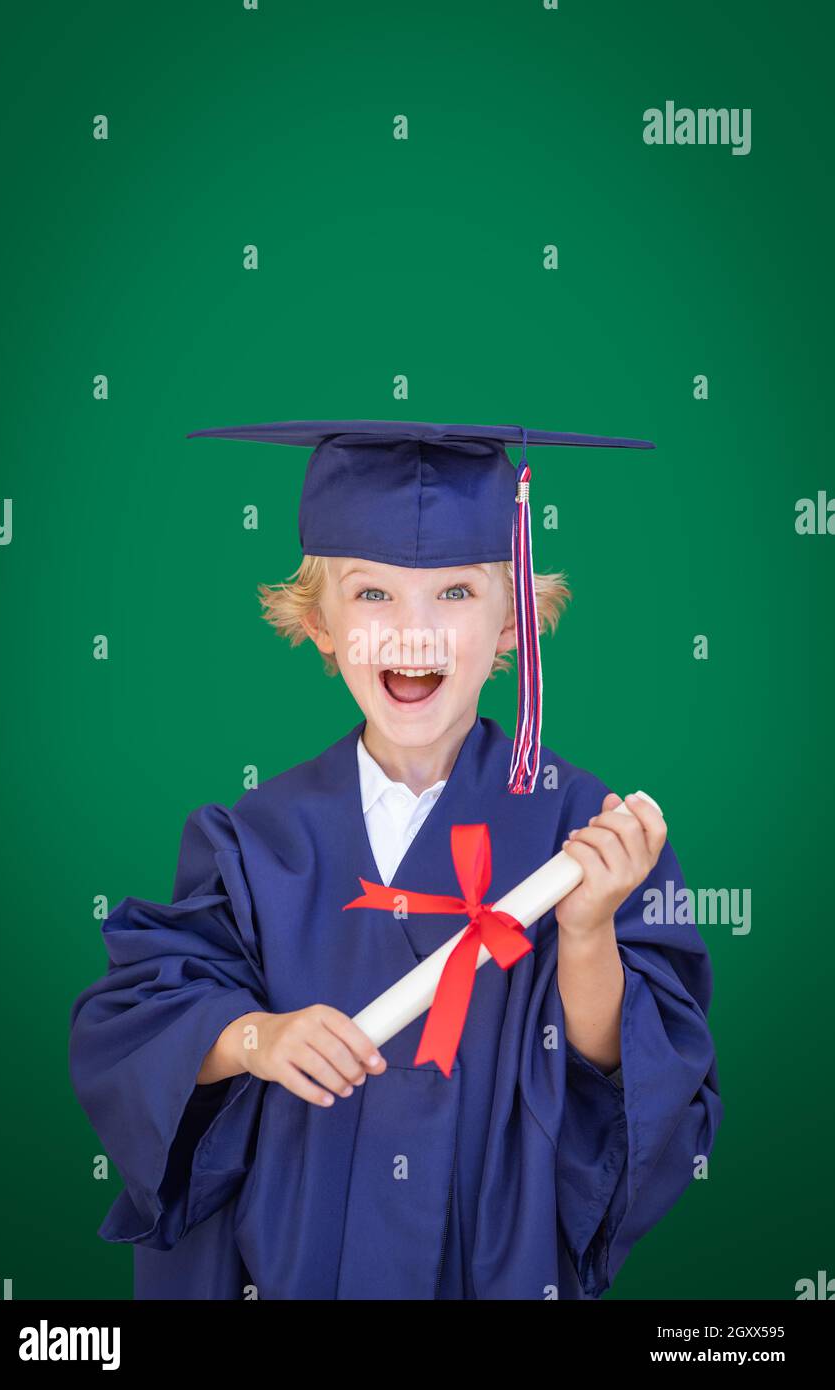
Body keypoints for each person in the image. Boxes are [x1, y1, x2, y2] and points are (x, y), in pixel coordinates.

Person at [69, 419, 722, 1300]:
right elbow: (141, 1022)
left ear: (512, 626)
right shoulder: (258, 839)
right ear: (320, 625)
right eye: (372, 596)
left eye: (455, 594)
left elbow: (630, 1087)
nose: (412, 635)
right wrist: (258, 1038)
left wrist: (588, 931)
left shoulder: (583, 832)